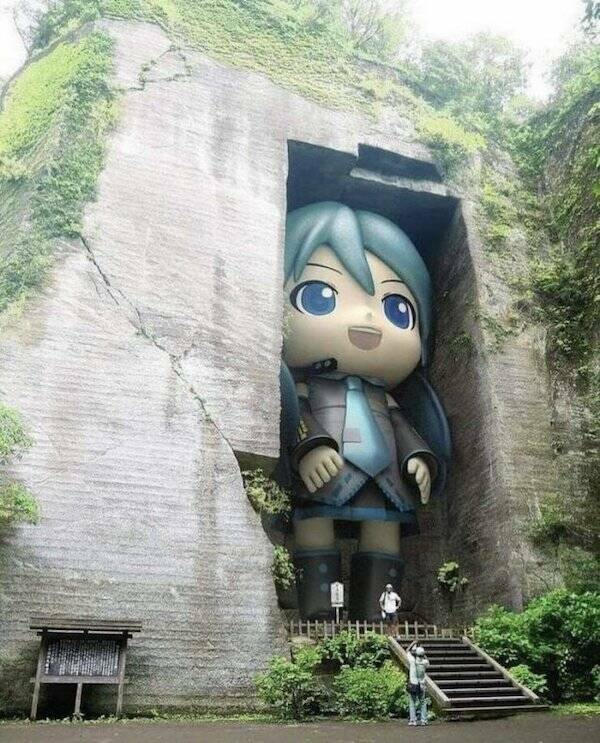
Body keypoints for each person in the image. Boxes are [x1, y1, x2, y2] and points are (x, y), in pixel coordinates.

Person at [281, 202, 450, 621]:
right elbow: (298, 417)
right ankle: (319, 613)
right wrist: (310, 448)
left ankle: (377, 617)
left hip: (386, 481)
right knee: (313, 527)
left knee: (384, 534)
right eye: (319, 297)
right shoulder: (306, 389)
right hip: (324, 474)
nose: (367, 316)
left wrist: (417, 458)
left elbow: (402, 428)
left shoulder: (386, 398)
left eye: (396, 309)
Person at [407, 641, 429, 726]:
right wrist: (423, 653)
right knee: (423, 702)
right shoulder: (425, 662)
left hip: (413, 684)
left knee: (412, 702)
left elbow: (407, 651)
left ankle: (413, 720)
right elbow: (427, 660)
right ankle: (424, 720)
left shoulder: (412, 661)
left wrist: (413, 643)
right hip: (422, 684)